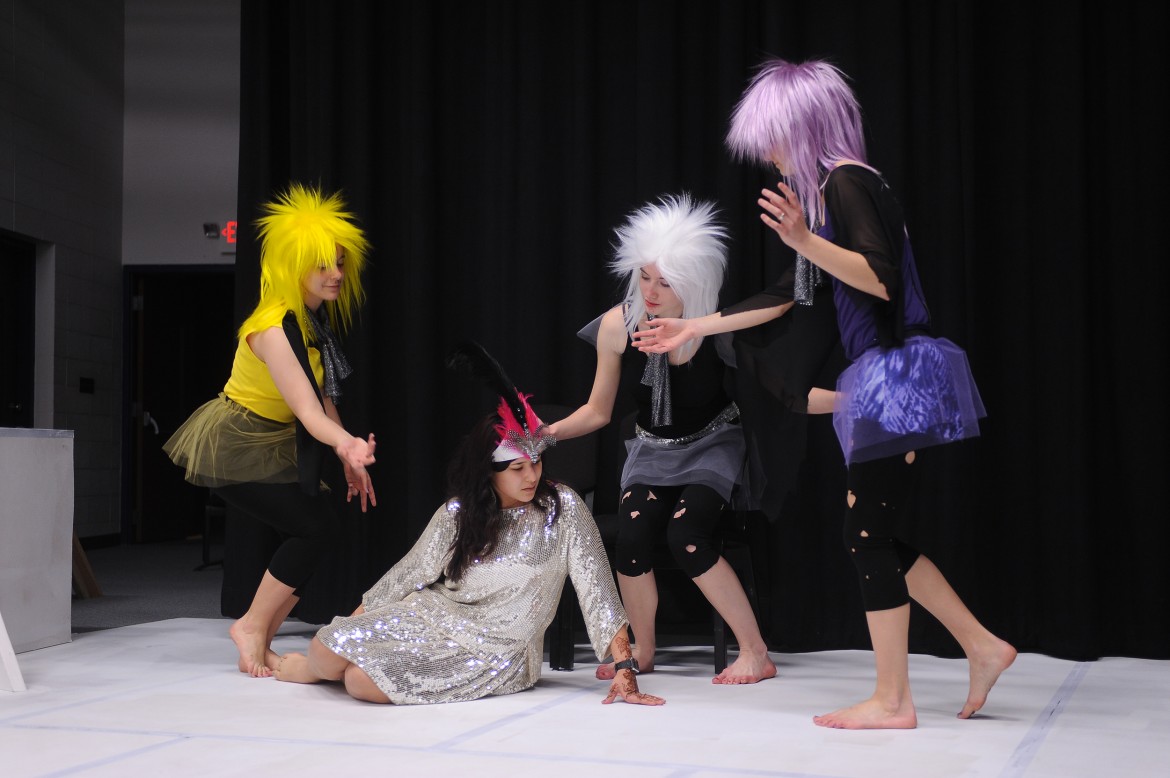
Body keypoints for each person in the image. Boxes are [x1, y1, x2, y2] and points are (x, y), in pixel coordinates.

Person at [637, 57, 1016, 729]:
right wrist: (694, 322)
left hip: (894, 373)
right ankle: (981, 646)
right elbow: (785, 298)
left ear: (806, 128)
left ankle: (894, 700)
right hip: (882, 375)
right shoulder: (834, 195)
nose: (773, 159)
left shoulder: (846, 183)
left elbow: (881, 278)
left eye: (778, 141)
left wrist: (805, 238)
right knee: (874, 531)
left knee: (866, 534)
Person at [273, 342, 664, 707]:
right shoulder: (458, 513)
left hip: (498, 649)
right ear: (489, 473)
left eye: (537, 463)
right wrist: (357, 626)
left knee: (360, 682)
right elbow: (406, 575)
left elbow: (598, 591)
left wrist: (625, 669)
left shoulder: (563, 507)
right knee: (324, 651)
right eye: (517, 468)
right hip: (432, 616)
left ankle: (328, 672)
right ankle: (316, 670)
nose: (531, 476)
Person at [547, 195, 776, 685]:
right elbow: (598, 410)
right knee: (631, 536)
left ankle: (756, 651)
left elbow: (776, 317)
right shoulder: (618, 324)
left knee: (686, 536)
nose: (651, 290)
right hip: (651, 450)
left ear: (693, 284)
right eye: (645, 277)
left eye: (666, 281)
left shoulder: (713, 326)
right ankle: (643, 649)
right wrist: (549, 433)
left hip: (713, 445)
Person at [164, 183, 377, 678]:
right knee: (315, 526)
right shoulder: (275, 328)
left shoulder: (311, 326)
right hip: (237, 441)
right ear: (292, 264)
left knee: (320, 528)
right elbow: (307, 411)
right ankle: (252, 627)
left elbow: (324, 396)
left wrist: (347, 454)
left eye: (341, 263)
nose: (336, 274)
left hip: (270, 439)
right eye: (323, 263)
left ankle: (258, 629)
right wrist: (343, 444)